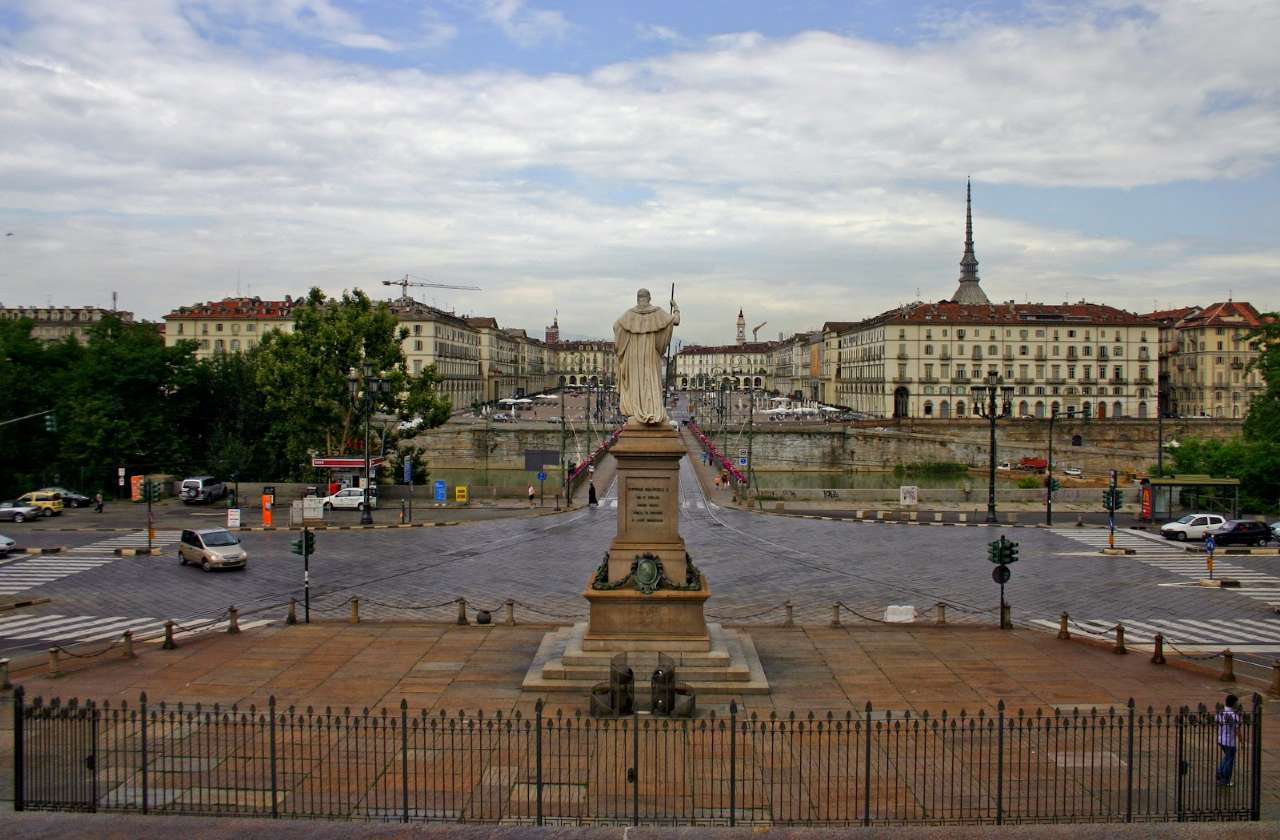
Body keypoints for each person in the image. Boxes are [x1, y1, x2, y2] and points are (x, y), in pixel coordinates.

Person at [1216, 694, 1241, 786]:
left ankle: (1219, 772)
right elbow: (1237, 730)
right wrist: (1242, 741)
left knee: (1227, 757)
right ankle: (1225, 778)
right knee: (1230, 759)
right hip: (1230, 741)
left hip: (1220, 739)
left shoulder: (1221, 712)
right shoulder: (1234, 716)